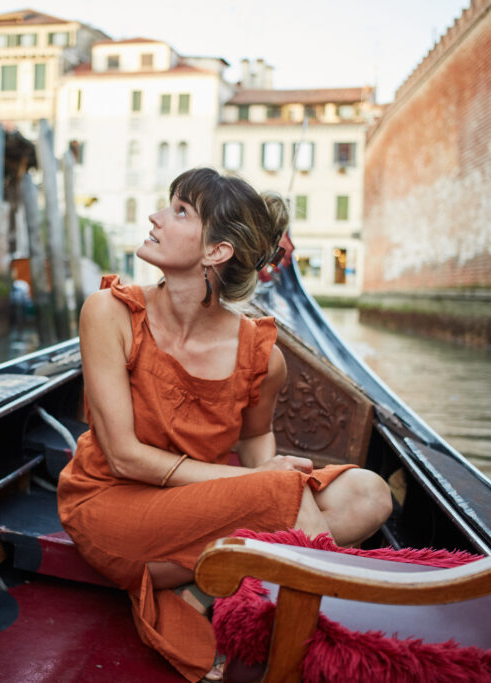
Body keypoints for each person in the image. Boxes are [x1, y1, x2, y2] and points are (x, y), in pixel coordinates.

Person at [57, 168, 393, 682]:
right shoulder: (109, 313)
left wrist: (266, 479)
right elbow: (124, 456)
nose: (155, 217)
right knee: (278, 493)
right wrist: (261, 484)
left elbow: (256, 438)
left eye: (180, 211)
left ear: (216, 252)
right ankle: (322, 641)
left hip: (196, 510)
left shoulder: (262, 356)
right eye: (169, 206)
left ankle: (196, 583)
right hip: (110, 502)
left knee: (368, 494)